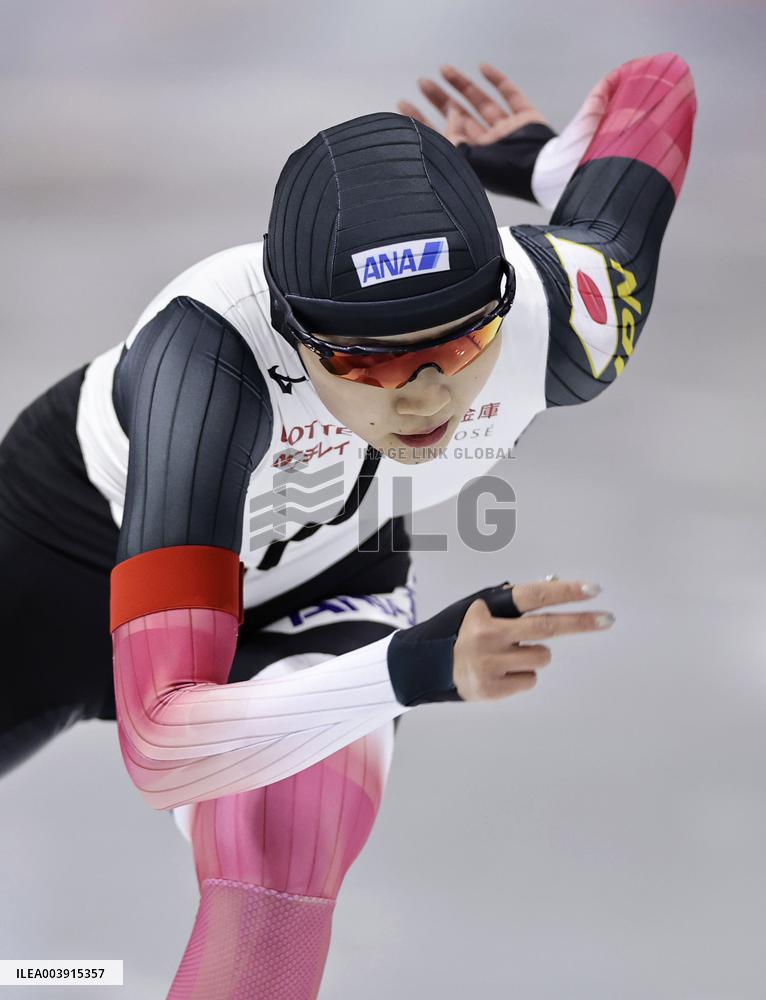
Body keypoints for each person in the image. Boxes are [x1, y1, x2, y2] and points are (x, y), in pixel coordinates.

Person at [0, 52, 696, 998]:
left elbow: (658, 85)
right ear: (293, 331)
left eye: (461, 341)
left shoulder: (564, 319)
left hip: (333, 573)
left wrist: (540, 170)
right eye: (367, 362)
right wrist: (409, 669)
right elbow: (163, 744)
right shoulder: (208, 367)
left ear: (504, 299)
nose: (426, 396)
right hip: (62, 559)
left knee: (283, 858)